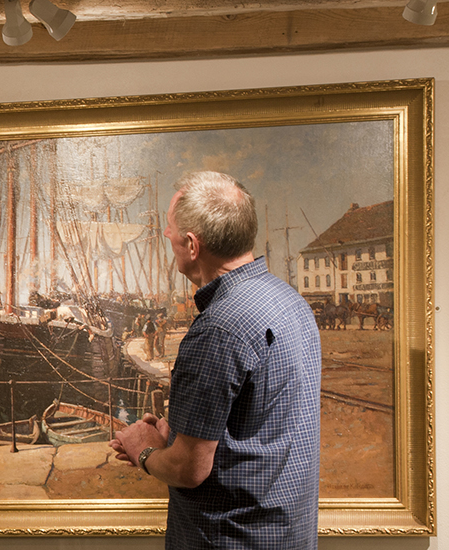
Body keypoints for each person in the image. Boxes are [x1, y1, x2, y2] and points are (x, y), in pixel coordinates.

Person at [108, 171, 322, 549]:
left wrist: (143, 448)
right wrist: (173, 438)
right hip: (289, 536)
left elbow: (188, 469)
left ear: (192, 245)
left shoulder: (218, 329)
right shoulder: (292, 303)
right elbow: (257, 427)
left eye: (171, 230)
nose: (167, 236)